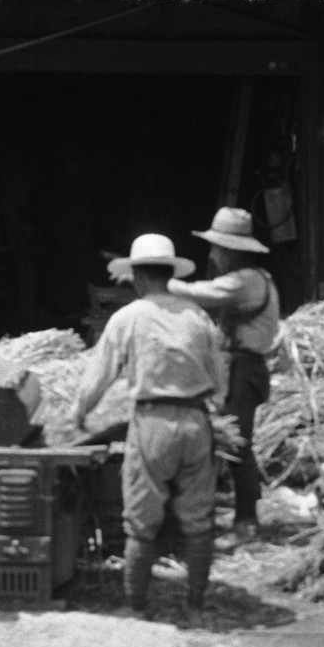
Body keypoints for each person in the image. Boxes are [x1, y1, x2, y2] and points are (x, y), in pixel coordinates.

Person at [73, 234, 229, 625]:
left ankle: (137, 606)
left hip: (152, 424)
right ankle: (194, 609)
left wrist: (80, 413)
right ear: (169, 274)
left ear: (139, 277)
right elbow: (220, 379)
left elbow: (99, 374)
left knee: (142, 523)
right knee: (198, 522)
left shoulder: (128, 318)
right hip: (196, 423)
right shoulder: (196, 316)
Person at [167, 207, 279, 547]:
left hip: (244, 371)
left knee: (236, 446)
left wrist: (159, 279)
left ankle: (247, 523)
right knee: (234, 444)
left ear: (231, 250)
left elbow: (201, 292)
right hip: (242, 369)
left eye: (218, 248)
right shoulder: (256, 278)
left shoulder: (245, 280)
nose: (213, 254)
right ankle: (236, 515)